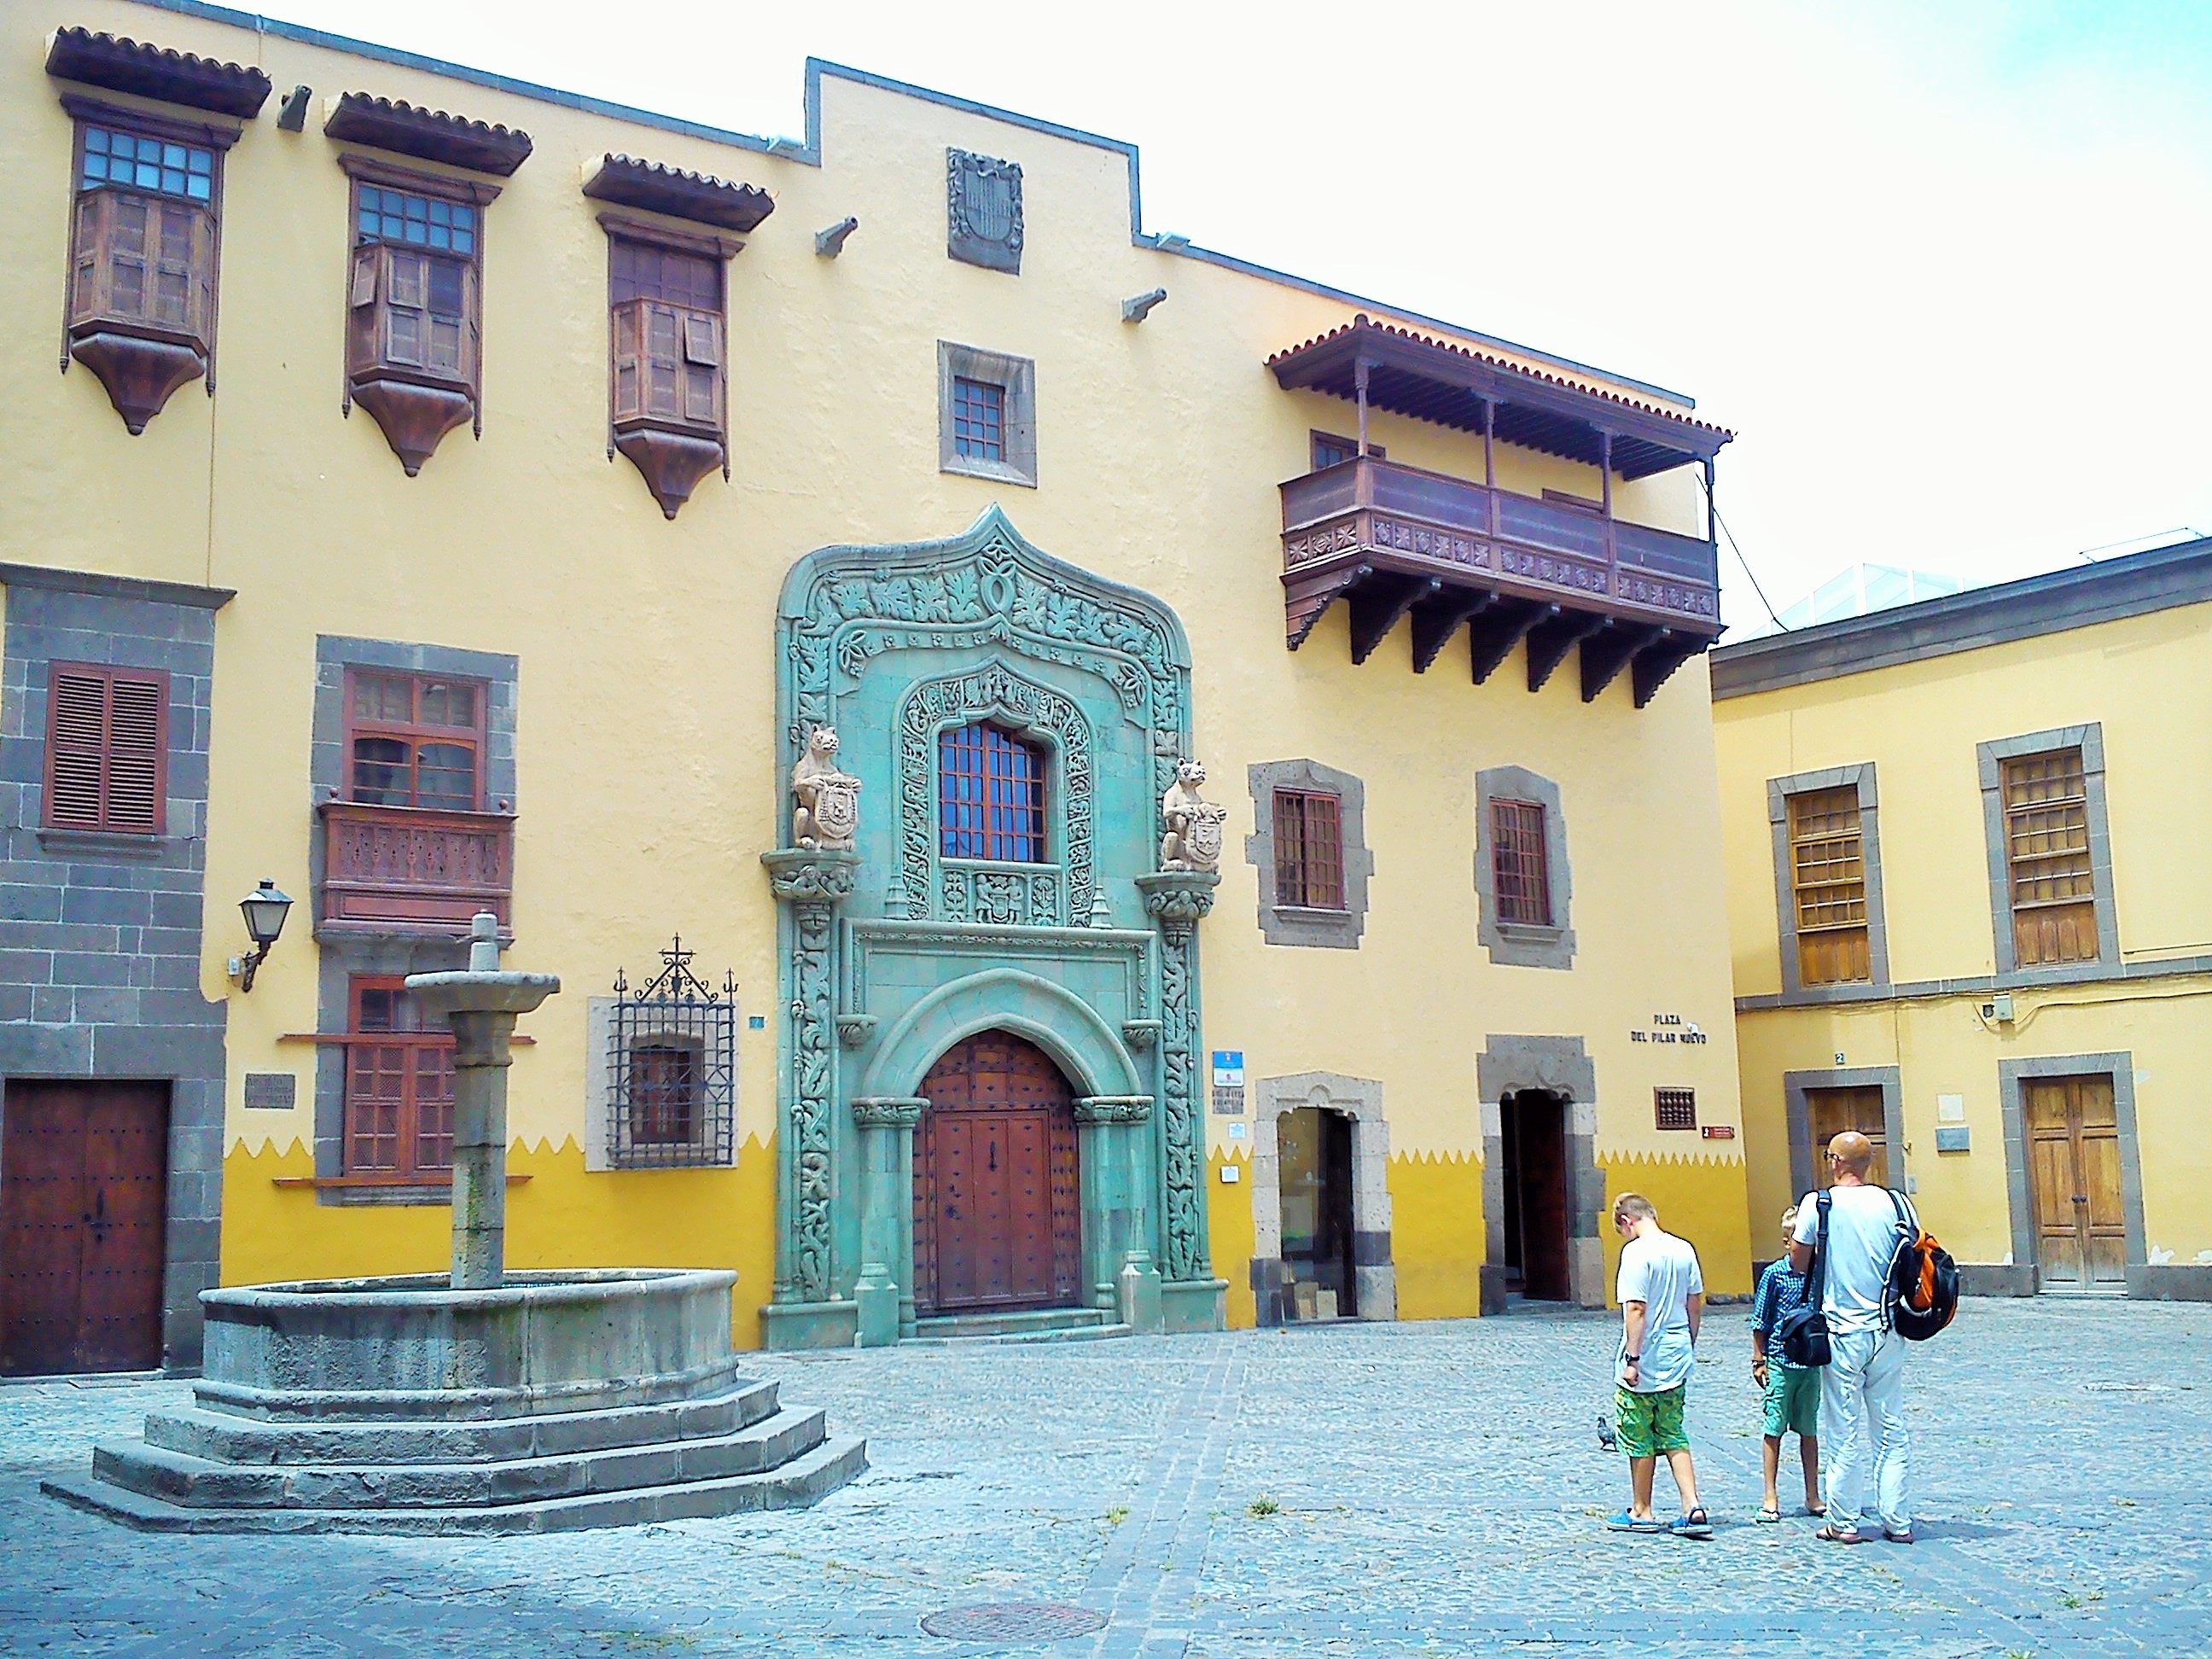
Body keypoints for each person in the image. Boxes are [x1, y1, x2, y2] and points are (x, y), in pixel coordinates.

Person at [1790, 1131, 1915, 1544]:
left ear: (1836, 1162)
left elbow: (1798, 1261)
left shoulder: (1819, 1204)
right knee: (1891, 1427)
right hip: (1888, 1328)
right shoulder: (1897, 1203)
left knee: (1843, 1430)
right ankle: (1898, 1521)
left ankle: (1843, 1522)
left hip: (1841, 1331)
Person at [1604, 1193, 1711, 1538]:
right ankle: (1692, 1506)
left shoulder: (1635, 1253)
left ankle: (1642, 1510)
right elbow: (1694, 1303)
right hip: (1676, 1353)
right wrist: (1688, 1344)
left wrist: (1632, 1360)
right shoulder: (1684, 1249)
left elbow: (1636, 1308)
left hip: (1647, 1355)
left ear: (1627, 1221)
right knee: (1672, 1431)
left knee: (1638, 1434)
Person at [1749, 1205, 1824, 1522]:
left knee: (1809, 1430)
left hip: (1810, 1363)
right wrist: (1759, 1359)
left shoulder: (1819, 1274)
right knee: (1774, 1428)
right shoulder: (1774, 1275)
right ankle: (1770, 1494)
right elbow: (1760, 1320)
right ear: (1786, 1242)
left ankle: (1812, 1493)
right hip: (1780, 1360)